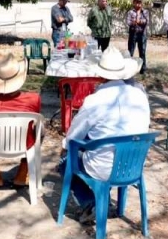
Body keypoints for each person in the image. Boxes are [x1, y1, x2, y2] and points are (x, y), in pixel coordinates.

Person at [58, 46, 149, 225]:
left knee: (65, 161)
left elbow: (73, 136)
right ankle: (101, 201)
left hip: (103, 167)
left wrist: (64, 147)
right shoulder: (140, 96)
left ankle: (90, 201)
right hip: (133, 165)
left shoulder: (95, 100)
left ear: (100, 75)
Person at [0, 52, 42, 188]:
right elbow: (35, 124)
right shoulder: (33, 99)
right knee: (40, 131)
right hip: (24, 143)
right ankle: (22, 173)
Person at [125, 0, 150, 74]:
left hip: (142, 34)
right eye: (136, 2)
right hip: (133, 34)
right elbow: (128, 22)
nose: (138, 4)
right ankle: (128, 69)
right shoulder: (130, 12)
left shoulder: (145, 12)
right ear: (134, 2)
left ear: (141, 3)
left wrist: (139, 22)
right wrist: (134, 22)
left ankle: (143, 69)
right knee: (130, 52)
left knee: (142, 52)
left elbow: (146, 21)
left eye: (139, 2)